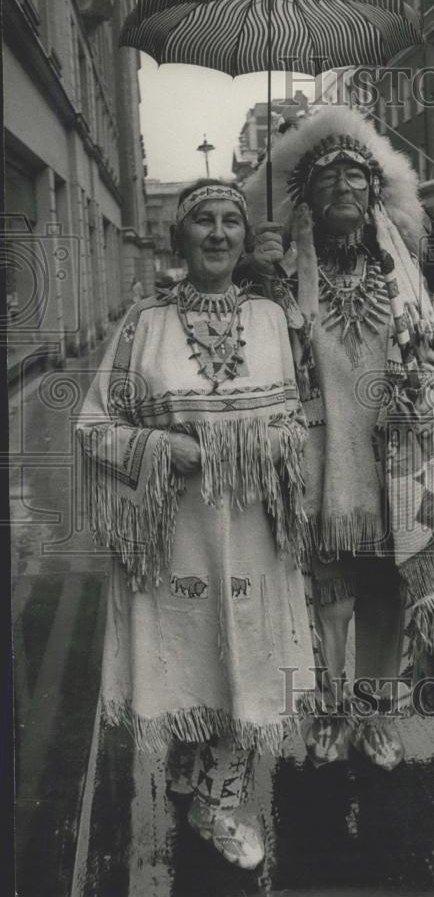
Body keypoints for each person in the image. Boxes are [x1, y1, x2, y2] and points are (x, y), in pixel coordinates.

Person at [77, 178, 315, 870]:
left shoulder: (273, 317)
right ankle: (188, 762)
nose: (217, 233)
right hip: (171, 530)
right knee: (189, 651)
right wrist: (161, 448)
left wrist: (281, 443)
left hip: (251, 533)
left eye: (230, 222)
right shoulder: (141, 324)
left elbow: (302, 416)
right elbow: (95, 426)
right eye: (203, 221)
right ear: (180, 237)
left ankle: (219, 798)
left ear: (245, 238)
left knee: (245, 652)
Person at [244, 107, 434, 771]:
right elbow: (252, 355)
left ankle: (375, 713)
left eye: (356, 176)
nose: (344, 186)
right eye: (327, 177)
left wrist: (424, 394)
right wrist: (256, 277)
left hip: (395, 461)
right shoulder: (283, 277)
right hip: (316, 460)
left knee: (384, 588)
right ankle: (328, 712)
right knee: (325, 593)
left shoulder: (404, 279)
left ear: (376, 192)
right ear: (304, 198)